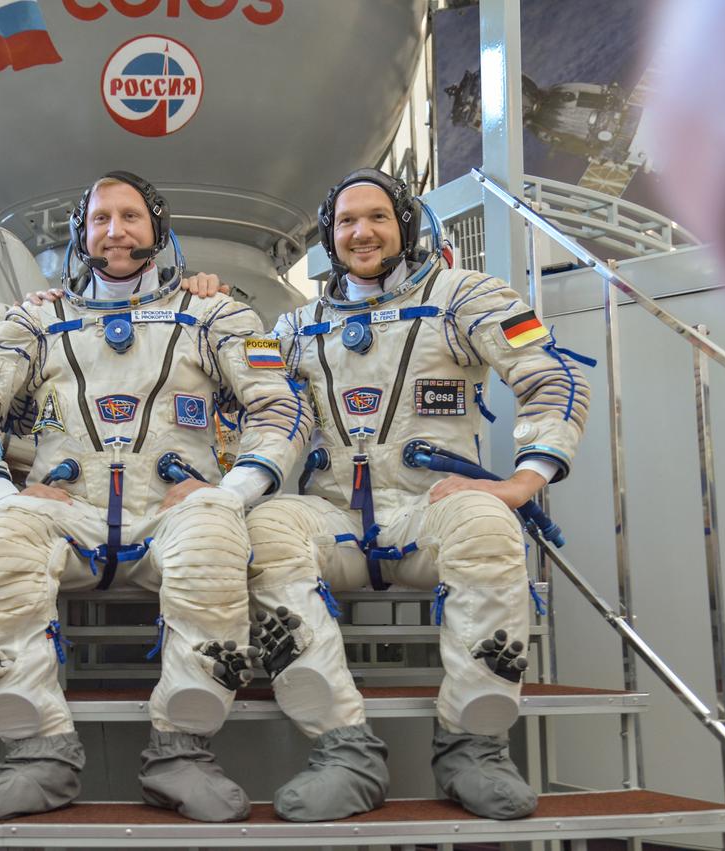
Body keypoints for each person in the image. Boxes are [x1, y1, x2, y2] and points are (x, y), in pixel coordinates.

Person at [0, 171, 311, 823]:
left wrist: (231, 490)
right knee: (0, 535)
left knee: (215, 532)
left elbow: (278, 405)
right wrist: (0, 494)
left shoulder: (217, 313)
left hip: (174, 512)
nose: (114, 230)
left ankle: (180, 752)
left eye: (130, 216)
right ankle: (37, 755)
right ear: (82, 234)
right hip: (66, 514)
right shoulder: (35, 316)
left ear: (157, 229)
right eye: (100, 218)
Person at [245, 169, 591, 821]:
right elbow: (253, 404)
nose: (361, 232)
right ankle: (341, 749)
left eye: (376, 217)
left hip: (425, 512)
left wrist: (521, 481)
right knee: (267, 528)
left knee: (486, 520)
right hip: (334, 518)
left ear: (404, 224)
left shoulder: (465, 297)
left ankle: (473, 748)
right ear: (328, 236)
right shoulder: (290, 327)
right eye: (346, 221)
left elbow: (551, 375)